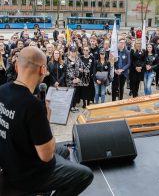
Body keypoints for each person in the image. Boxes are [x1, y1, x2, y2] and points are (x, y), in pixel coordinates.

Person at [0, 46, 93, 195]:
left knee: (63, 150)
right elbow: (46, 156)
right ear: (43, 70)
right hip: (26, 173)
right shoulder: (33, 105)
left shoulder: (2, 90)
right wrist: (46, 121)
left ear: (17, 67)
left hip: (10, 158)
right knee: (85, 175)